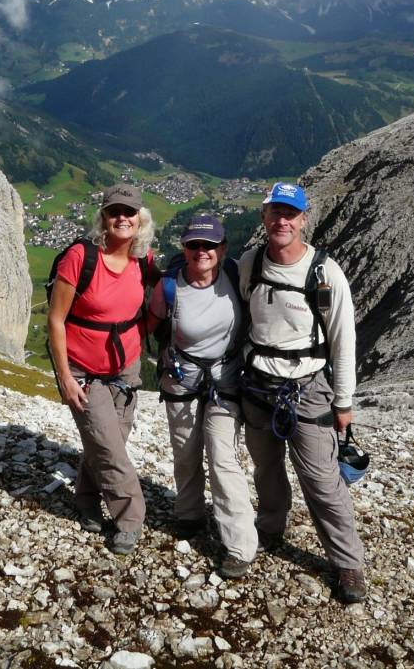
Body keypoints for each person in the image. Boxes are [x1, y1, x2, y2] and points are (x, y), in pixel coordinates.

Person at [238, 182, 366, 603]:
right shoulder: (251, 263)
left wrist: (343, 401)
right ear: (264, 217)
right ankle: (270, 528)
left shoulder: (324, 272)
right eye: (275, 212)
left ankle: (348, 564)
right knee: (266, 469)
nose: (282, 221)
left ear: (303, 219)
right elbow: (243, 316)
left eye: (290, 214)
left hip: (308, 388)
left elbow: (343, 339)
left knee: (322, 480)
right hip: (258, 384)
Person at [47, 184, 156, 555]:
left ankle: (86, 497)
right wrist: (64, 377)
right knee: (109, 448)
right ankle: (131, 518)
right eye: (114, 212)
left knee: (109, 440)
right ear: (104, 217)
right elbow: (56, 320)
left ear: (141, 219)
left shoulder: (144, 259)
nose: (122, 218)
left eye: (130, 212)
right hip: (83, 370)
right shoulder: (81, 257)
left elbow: (151, 307)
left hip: (126, 369)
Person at [147, 215, 258, 579]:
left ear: (222, 249)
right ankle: (189, 514)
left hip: (225, 381)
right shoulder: (169, 288)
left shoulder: (234, 274)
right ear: (184, 249)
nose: (201, 252)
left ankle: (240, 545)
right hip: (181, 379)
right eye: (194, 245)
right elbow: (148, 325)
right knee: (185, 452)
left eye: (209, 246)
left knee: (222, 457)